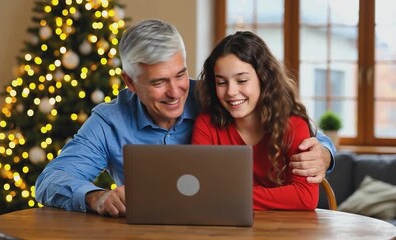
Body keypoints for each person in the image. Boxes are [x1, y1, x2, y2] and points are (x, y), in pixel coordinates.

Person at [35, 19, 336, 217]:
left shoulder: (214, 97)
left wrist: (324, 151)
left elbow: (288, 124)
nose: (175, 91)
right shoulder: (109, 121)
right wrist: (96, 198)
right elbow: (49, 181)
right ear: (130, 82)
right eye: (157, 82)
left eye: (180, 74)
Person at [192, 31, 325, 210]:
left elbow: (305, 197)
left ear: (264, 78)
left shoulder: (293, 125)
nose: (231, 91)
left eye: (242, 80)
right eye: (221, 83)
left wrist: (227, 195)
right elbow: (200, 191)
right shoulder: (207, 124)